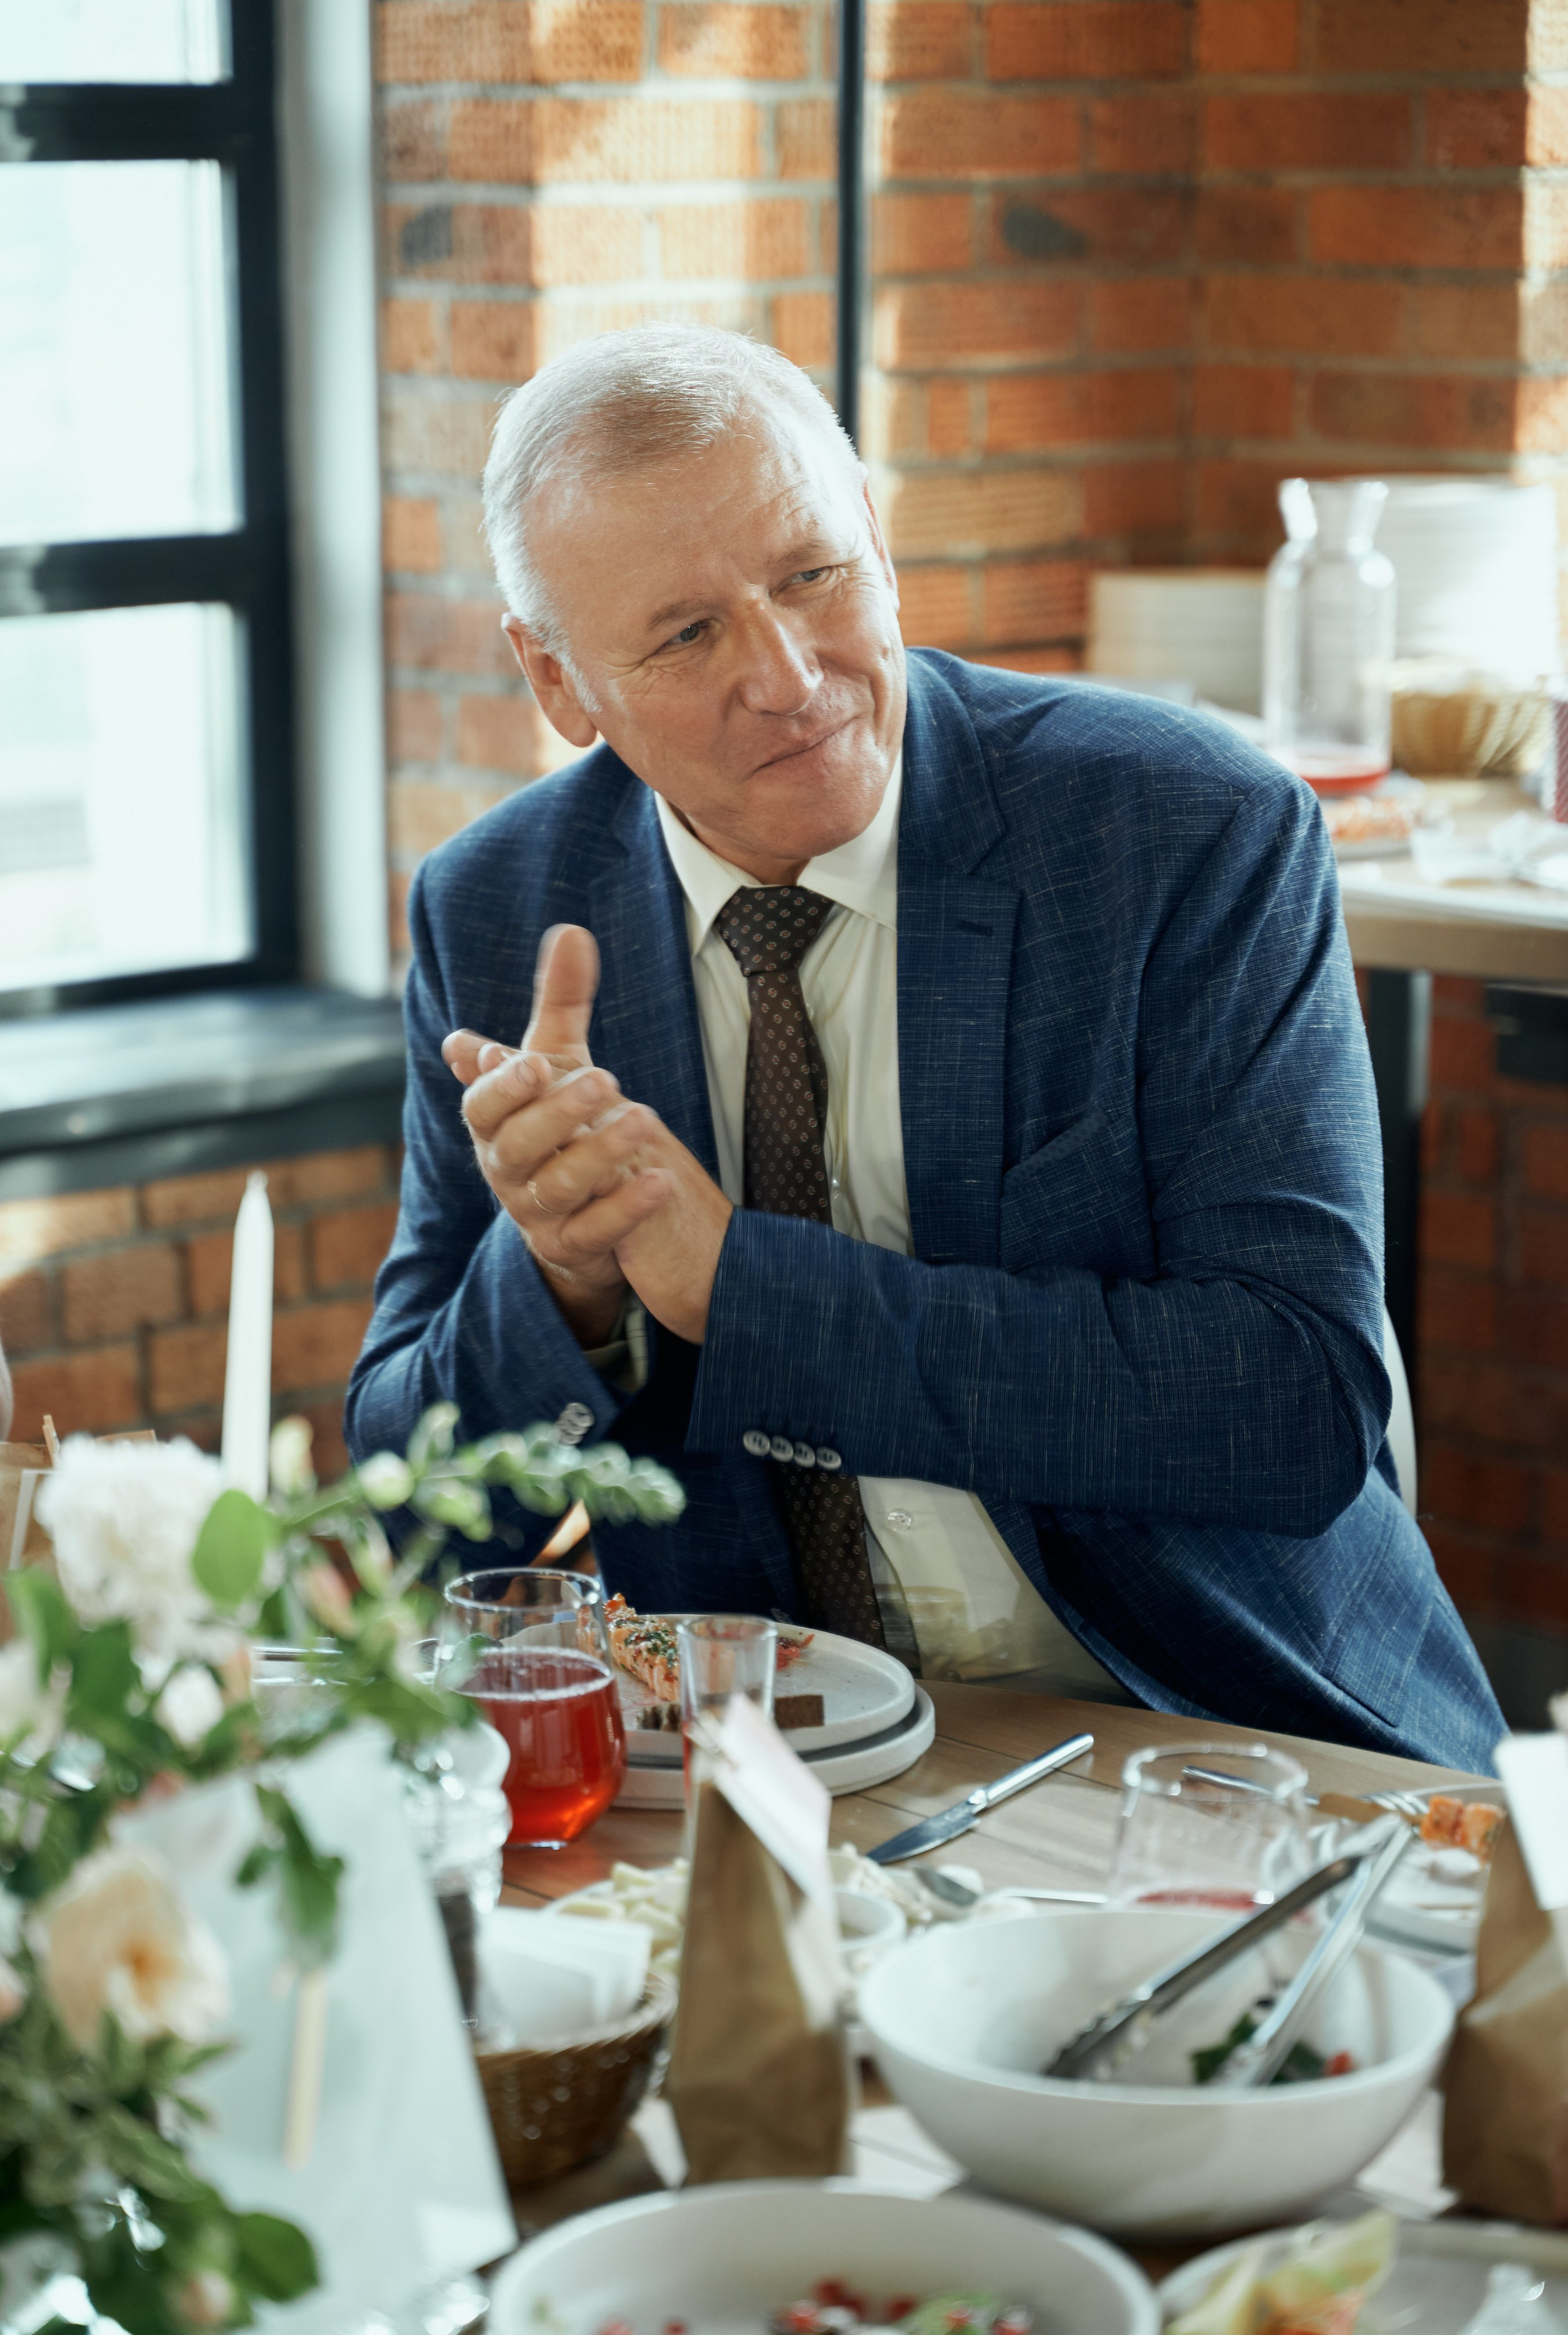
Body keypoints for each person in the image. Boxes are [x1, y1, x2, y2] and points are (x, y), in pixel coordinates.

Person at [347, 323, 1502, 1771]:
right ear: (559, 681)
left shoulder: (1184, 832)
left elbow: (1291, 1403)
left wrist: (742, 1292)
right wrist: (564, 1282)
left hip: (1207, 1722)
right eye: (687, 633)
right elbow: (403, 1502)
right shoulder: (501, 905)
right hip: (762, 1769)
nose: (787, 673)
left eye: (812, 574)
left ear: (877, 541)